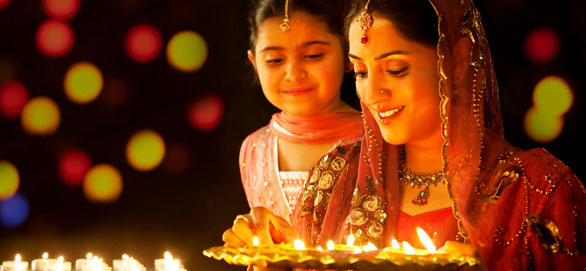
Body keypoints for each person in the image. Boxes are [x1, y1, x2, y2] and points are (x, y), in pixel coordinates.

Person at [342, 0, 586, 269]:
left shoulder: (538, 191)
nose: (372, 94)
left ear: (455, 60)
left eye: (395, 69)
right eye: (360, 72)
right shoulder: (341, 178)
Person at [222, 0, 362, 249]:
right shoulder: (255, 148)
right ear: (255, 63)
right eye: (275, 60)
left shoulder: (377, 140)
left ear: (349, 55)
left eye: (313, 56)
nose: (294, 72)